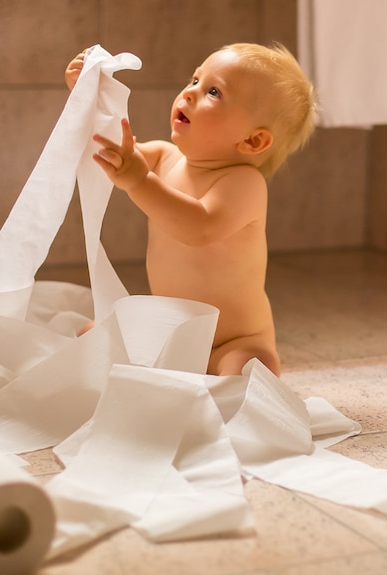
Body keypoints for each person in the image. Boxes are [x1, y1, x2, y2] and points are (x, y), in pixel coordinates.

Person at [64, 43, 316, 376]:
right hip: (172, 334)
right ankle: (162, 363)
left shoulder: (243, 183)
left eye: (213, 91)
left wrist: (139, 180)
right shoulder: (163, 157)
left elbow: (199, 227)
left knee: (252, 368)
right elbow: (112, 149)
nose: (190, 93)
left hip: (232, 341)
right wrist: (91, 98)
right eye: (194, 79)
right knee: (94, 336)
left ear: (253, 141)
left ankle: (228, 374)